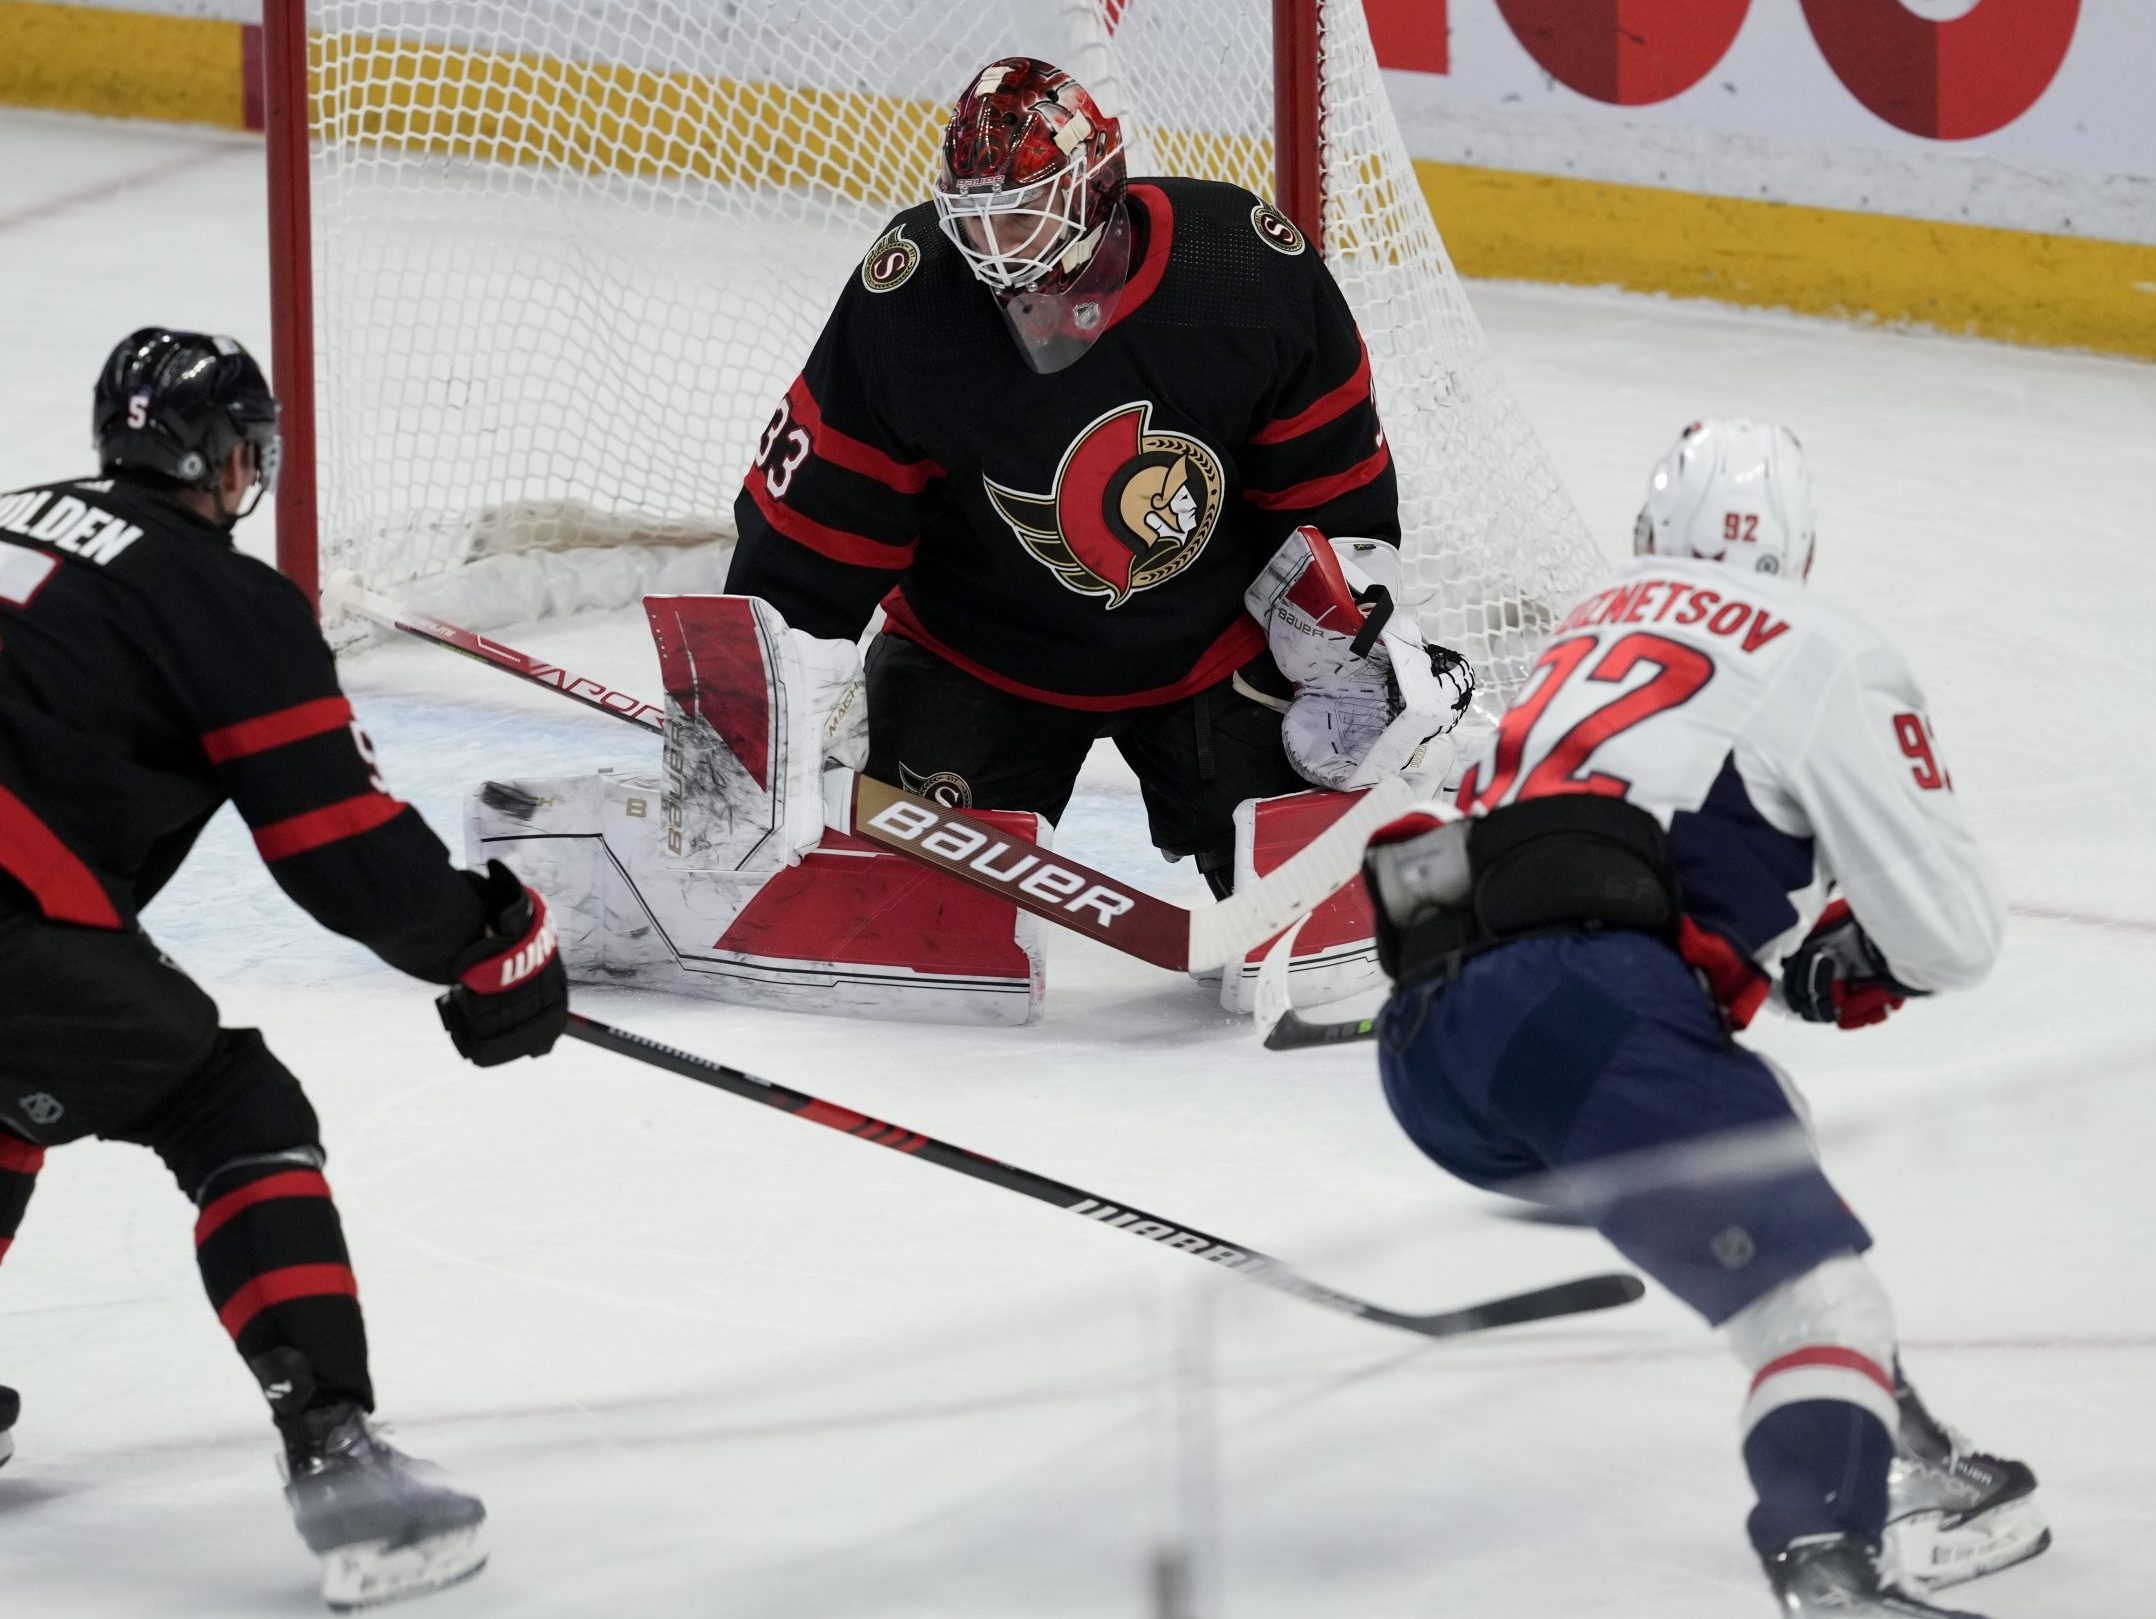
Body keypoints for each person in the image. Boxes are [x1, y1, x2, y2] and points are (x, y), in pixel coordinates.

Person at [1358, 420, 2046, 1615]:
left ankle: (1899, 1443)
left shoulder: (1592, 615)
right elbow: (1953, 932)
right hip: (1582, 1022)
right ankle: (1829, 1567)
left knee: (1765, 1126)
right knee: (1820, 1298)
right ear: (1801, 554)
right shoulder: (1822, 645)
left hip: (1427, 1036)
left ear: (1645, 538)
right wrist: (1861, 955)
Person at [0, 329, 569, 1609]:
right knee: (229, 1106)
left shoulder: (19, 518)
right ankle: (339, 1455)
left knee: (20, 1073)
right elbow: (338, 844)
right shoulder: (220, 596)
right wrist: (484, 943)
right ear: (225, 457)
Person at [724, 57, 1473, 902]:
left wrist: (1357, 645)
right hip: (980, 654)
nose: (996, 252)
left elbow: (1331, 489)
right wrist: (755, 718)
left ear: (1097, 187)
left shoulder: (1238, 268)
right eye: (978, 222)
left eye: (1024, 218)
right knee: (915, 912)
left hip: (1208, 654)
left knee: (1323, 896)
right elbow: (814, 525)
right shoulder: (914, 301)